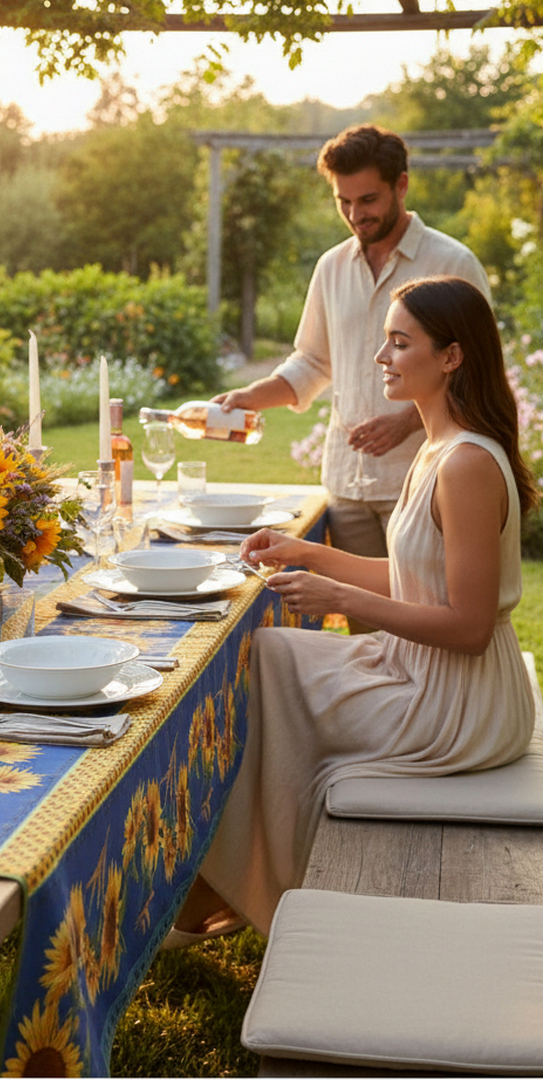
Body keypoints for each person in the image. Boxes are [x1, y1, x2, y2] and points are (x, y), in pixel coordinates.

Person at [164, 276, 538, 945]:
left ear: (451, 356)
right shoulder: (437, 447)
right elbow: (418, 578)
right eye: (385, 341)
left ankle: (234, 893)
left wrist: (341, 599)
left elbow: (471, 628)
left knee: (271, 688)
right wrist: (306, 555)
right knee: (269, 657)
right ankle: (239, 880)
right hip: (424, 674)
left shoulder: (466, 465)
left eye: (400, 343)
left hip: (460, 706)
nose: (381, 358)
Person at [215, 125, 491, 575]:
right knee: (365, 626)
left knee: (428, 614)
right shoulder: (331, 267)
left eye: (367, 200)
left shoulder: (453, 263)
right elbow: (313, 361)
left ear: (400, 185)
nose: (354, 214)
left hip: (425, 479)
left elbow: (475, 366)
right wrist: (251, 396)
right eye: (343, 201)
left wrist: (405, 422)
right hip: (347, 484)